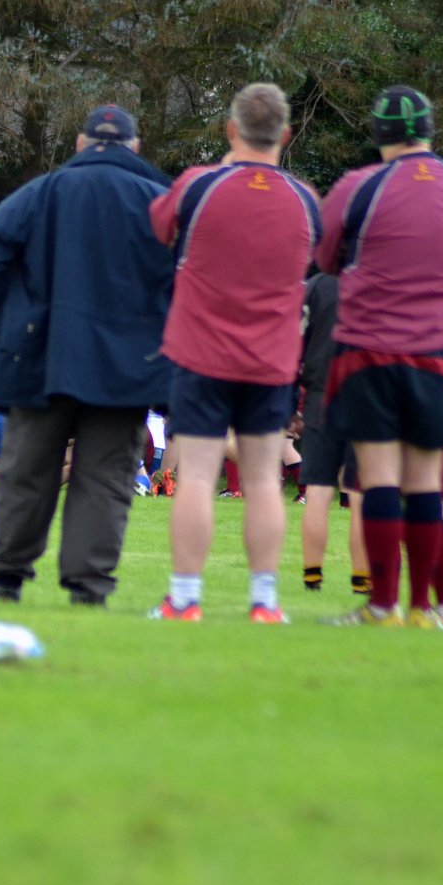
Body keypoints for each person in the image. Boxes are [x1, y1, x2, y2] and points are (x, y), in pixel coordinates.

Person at [0, 103, 175, 607]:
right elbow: (191, 276)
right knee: (106, 478)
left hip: (40, 355)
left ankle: (6, 578)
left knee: (27, 470)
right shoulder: (162, 202)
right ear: (135, 148)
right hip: (127, 365)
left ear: (80, 144)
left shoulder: (43, 191)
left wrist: (6, 320)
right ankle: (88, 586)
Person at [147, 82, 320, 625]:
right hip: (271, 359)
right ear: (285, 135)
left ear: (230, 129)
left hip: (201, 353)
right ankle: (264, 603)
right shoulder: (304, 198)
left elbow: (157, 227)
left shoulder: (200, 185)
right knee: (265, 477)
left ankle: (184, 599)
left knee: (198, 475)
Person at [316, 85, 443, 628]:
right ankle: (425, 608)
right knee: (430, 483)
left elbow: (325, 255)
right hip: (440, 351)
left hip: (371, 350)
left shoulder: (359, 186)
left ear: (378, 132)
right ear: (430, 129)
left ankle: (383, 605)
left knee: (380, 479)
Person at [296, 271, 370, 599]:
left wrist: (293, 399)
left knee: (318, 490)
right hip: (365, 396)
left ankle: (312, 574)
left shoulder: (317, 286)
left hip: (321, 395)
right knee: (361, 493)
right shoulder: (378, 281)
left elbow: (298, 342)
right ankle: (362, 577)